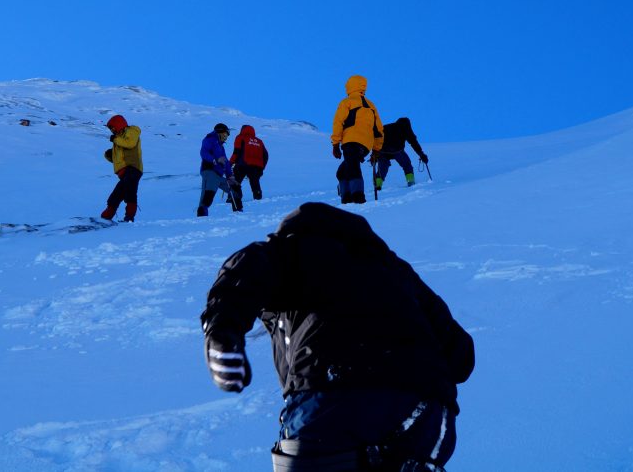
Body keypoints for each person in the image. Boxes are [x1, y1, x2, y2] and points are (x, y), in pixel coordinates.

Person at [201, 202, 474, 472]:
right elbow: (461, 356)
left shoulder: (288, 249)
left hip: (334, 397)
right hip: (428, 415)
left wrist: (221, 332)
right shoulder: (396, 270)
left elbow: (240, 276)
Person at [331, 75, 384, 204]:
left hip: (350, 141)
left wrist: (335, 144)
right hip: (365, 145)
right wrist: (376, 149)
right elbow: (379, 130)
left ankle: (358, 196)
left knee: (352, 166)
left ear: (349, 86)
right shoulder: (371, 106)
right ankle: (346, 197)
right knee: (342, 171)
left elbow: (338, 122)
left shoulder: (347, 102)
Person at [100, 114, 143, 222]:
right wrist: (110, 155)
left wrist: (115, 140)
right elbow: (120, 159)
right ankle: (106, 218)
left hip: (132, 169)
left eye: (112, 127)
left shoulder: (131, 131)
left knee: (130, 192)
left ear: (118, 124)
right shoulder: (119, 138)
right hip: (124, 172)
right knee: (116, 195)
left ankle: (129, 218)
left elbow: (130, 143)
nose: (112, 130)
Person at [197, 123, 242, 217]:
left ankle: (239, 214)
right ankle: (201, 218)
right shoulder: (209, 139)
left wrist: (230, 176)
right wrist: (215, 159)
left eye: (227, 135)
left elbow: (226, 162)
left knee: (235, 190)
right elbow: (204, 152)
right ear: (219, 132)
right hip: (210, 172)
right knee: (208, 196)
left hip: (219, 175)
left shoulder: (221, 147)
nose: (226, 137)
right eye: (225, 134)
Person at [376, 117, 429, 191]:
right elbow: (413, 142)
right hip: (397, 151)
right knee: (407, 164)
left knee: (382, 169)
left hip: (383, 151)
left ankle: (377, 186)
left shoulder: (386, 127)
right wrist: (421, 154)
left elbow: (376, 139)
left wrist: (374, 153)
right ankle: (410, 182)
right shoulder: (406, 128)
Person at [229, 124, 269, 201]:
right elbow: (266, 155)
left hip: (243, 164)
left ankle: (233, 198)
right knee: (255, 181)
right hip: (257, 167)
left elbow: (236, 152)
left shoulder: (240, 137)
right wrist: (262, 166)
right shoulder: (259, 141)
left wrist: (230, 163)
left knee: (236, 180)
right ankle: (257, 196)